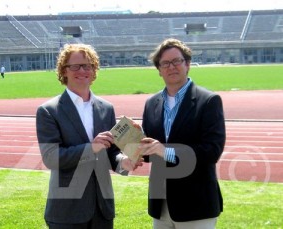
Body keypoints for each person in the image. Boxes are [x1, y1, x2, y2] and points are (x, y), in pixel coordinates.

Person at [36, 43, 141, 229]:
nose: (82, 70)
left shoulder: (106, 108)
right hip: (67, 211)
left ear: (94, 70)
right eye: (75, 66)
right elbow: (51, 158)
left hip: (102, 209)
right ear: (64, 70)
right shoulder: (49, 111)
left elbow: (111, 153)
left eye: (87, 65)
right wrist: (91, 148)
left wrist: (124, 162)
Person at [139, 38, 226, 229]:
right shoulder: (151, 103)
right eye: (165, 63)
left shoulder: (209, 101)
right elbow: (150, 154)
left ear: (187, 64)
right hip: (160, 205)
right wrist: (136, 145)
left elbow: (212, 151)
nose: (172, 67)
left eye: (177, 61)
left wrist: (166, 151)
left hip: (196, 204)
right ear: (159, 70)